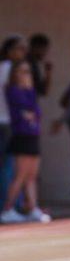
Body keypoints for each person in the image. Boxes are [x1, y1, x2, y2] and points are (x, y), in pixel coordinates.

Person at [1, 61, 50, 223]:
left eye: (28, 71)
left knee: (32, 175)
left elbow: (35, 112)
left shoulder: (30, 91)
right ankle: (8, 208)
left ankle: (32, 208)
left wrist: (29, 91)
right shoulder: (12, 90)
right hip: (21, 135)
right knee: (20, 175)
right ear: (15, 74)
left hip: (33, 135)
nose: (26, 75)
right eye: (22, 71)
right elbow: (23, 110)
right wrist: (29, 112)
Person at [0, 35, 26, 204]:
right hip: (9, 121)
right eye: (20, 48)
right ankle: (11, 204)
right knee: (11, 164)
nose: (23, 52)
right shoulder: (11, 68)